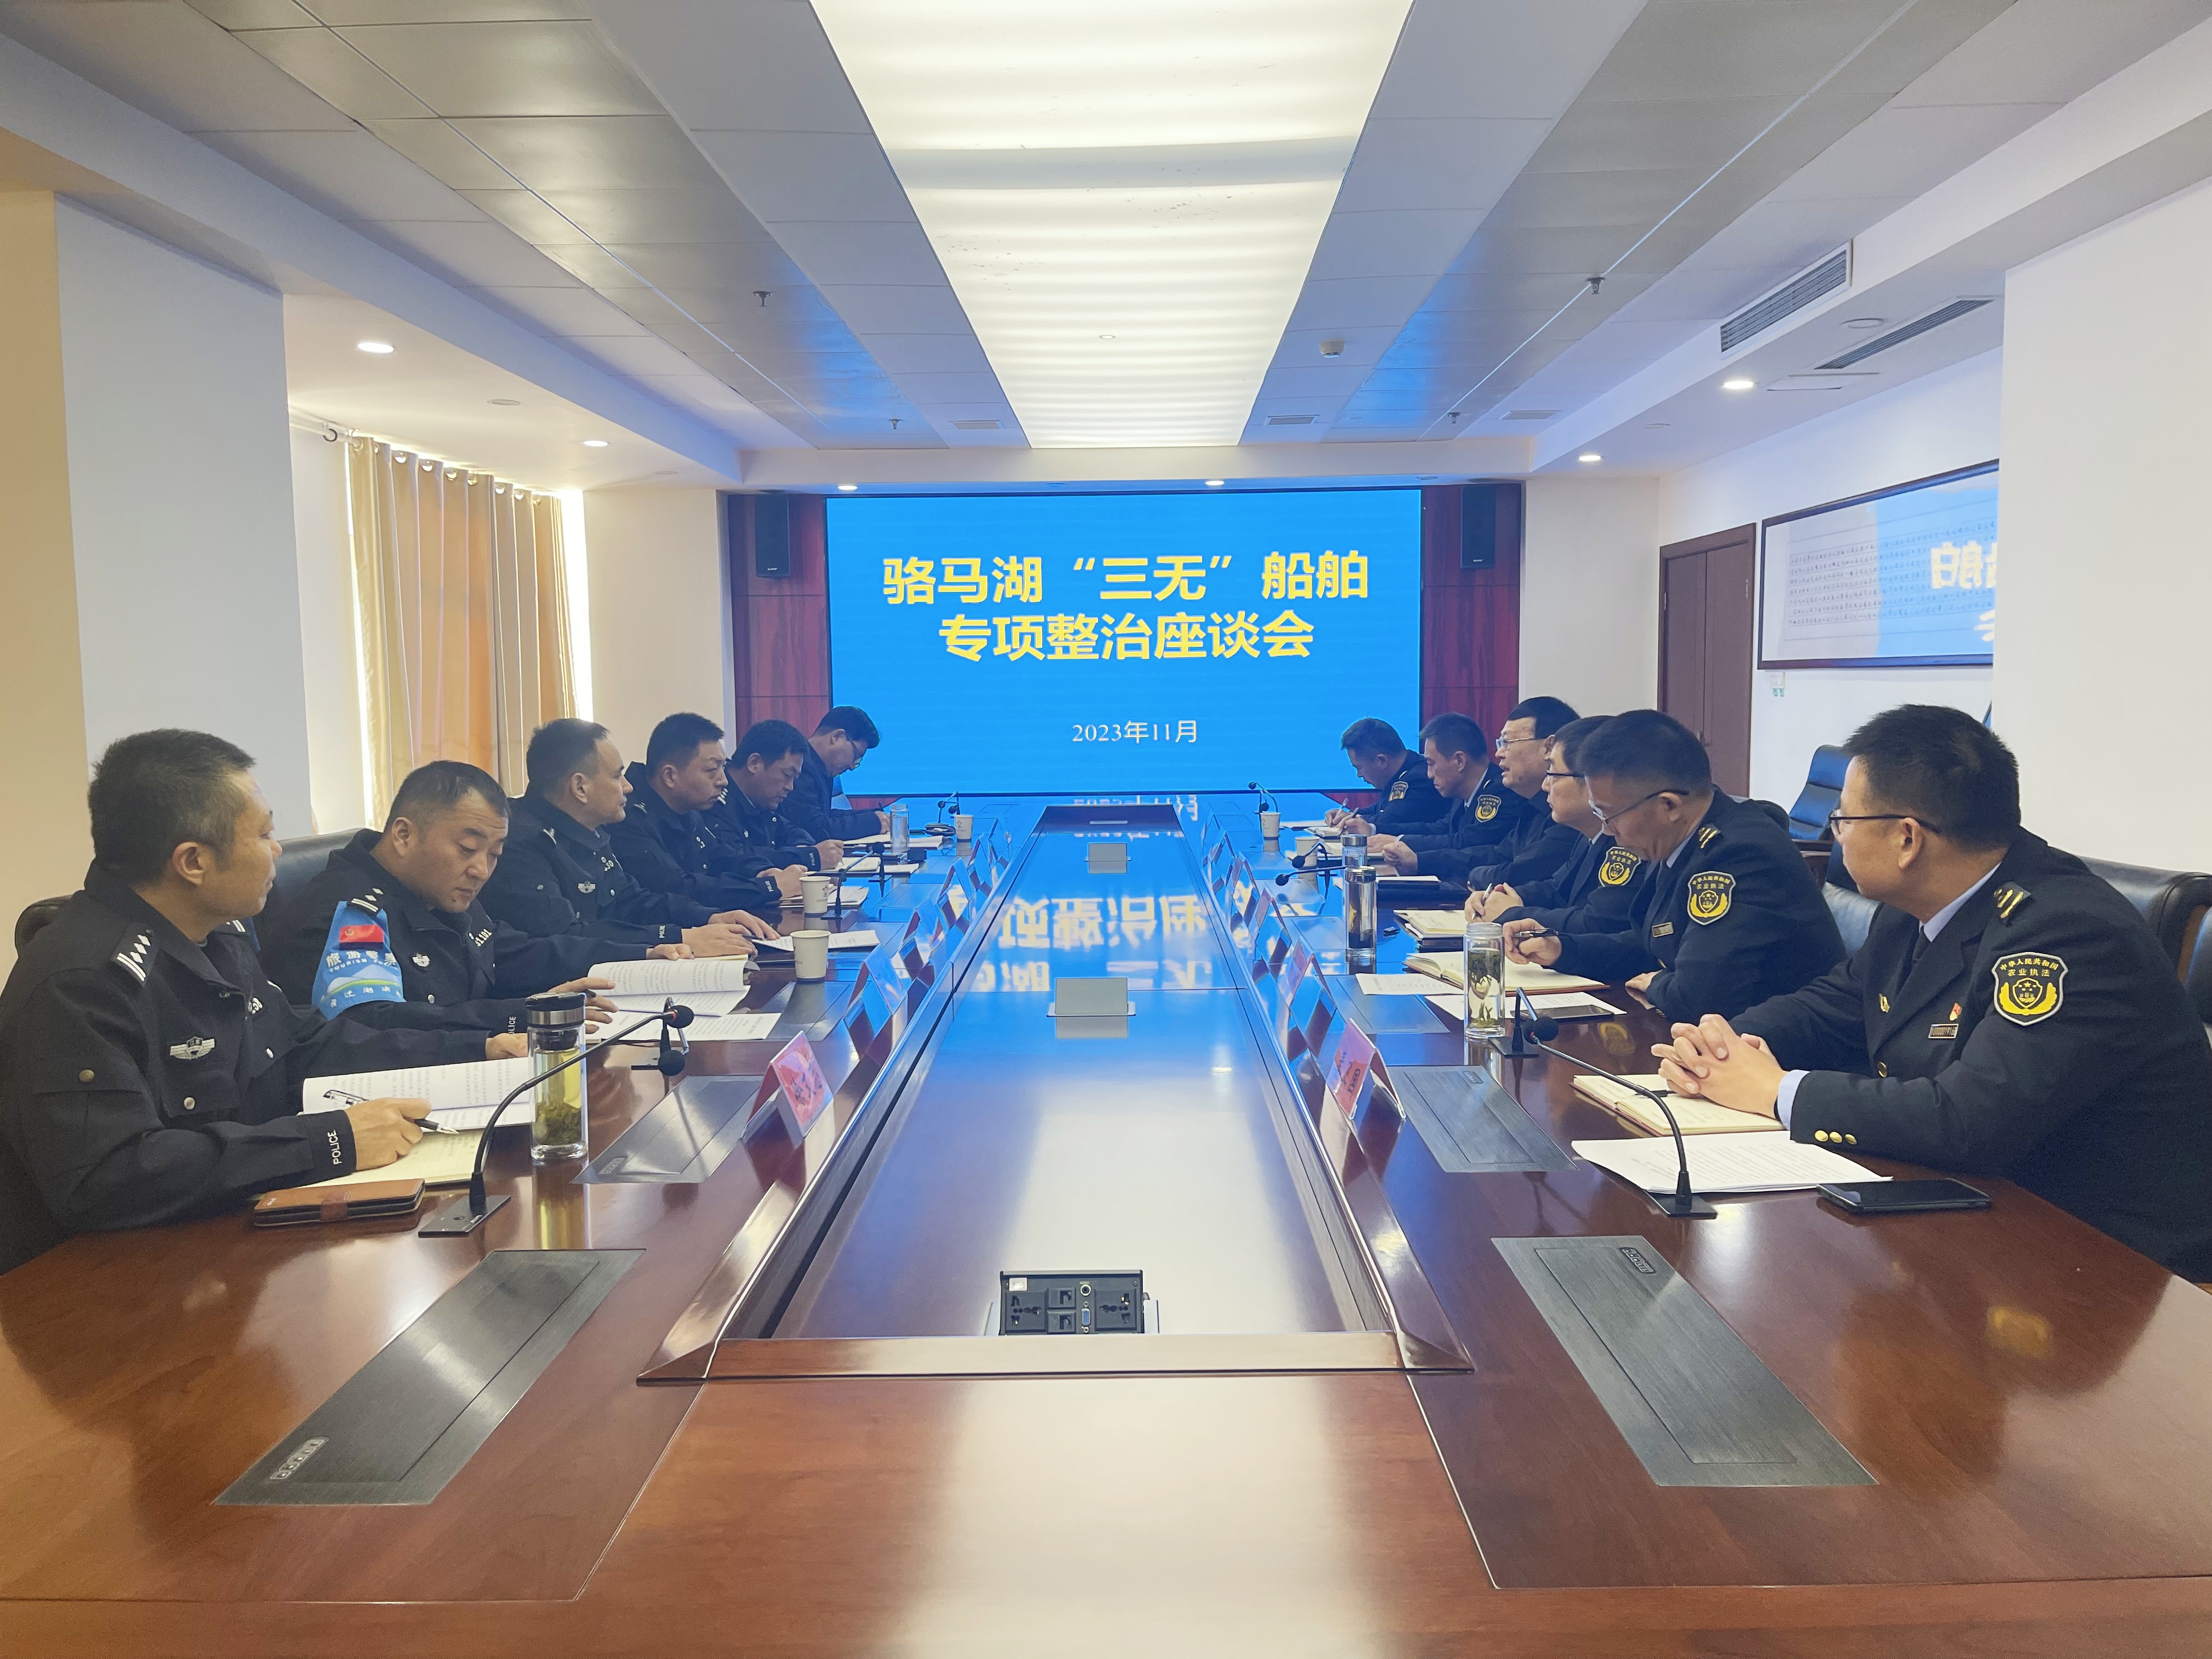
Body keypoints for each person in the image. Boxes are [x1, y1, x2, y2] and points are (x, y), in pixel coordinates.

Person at [1651, 705, 2212, 1278]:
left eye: (1843, 820)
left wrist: (1776, 1090)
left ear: (1906, 838)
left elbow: (1970, 1119)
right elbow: (1832, 1004)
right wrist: (1721, 1047)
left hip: (2108, 1258)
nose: (1836, 835)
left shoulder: (2067, 933)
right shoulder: (1916, 906)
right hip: (1976, 1206)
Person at [0, 731, 522, 1274]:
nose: (277, 851)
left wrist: (473, 1051)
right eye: (265, 834)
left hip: (227, 1242)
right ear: (193, 862)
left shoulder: (217, 937)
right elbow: (110, 1178)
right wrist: (332, 1140)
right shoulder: (82, 982)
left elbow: (303, 1047)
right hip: (106, 1282)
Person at [1503, 709, 1843, 1020]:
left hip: (1774, 1050)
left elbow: (1698, 997)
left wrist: (1658, 983)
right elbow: (1654, 945)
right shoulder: (1680, 838)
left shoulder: (1739, 855)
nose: (1607, 830)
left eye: (1609, 814)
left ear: (1668, 806)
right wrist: (1562, 949)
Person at [261, 760, 647, 1032]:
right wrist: (520, 1016)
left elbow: (511, 953)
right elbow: (378, 1024)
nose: (481, 869)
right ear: (404, 835)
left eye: (494, 854)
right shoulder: (351, 914)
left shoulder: (437, 889)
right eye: (467, 849)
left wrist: (640, 955)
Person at [481, 718, 771, 955]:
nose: (629, 787)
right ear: (580, 788)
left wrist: (706, 917)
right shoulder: (520, 844)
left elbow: (629, 901)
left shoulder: (591, 829)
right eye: (617, 776)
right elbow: (566, 939)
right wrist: (677, 937)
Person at [1470, 715, 1649, 933]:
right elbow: (1556, 888)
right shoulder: (1588, 835)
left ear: (1592, 782)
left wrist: (1514, 913)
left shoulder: (1629, 841)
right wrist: (1494, 897)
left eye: (1553, 774)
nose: (1545, 785)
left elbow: (1597, 922)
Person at [610, 713, 802, 914]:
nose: (723, 781)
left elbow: (722, 856)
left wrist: (763, 872)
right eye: (712, 770)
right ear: (670, 776)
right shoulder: (628, 817)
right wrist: (767, 888)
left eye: (723, 768)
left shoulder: (688, 807)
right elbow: (678, 887)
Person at [1378, 697, 1581, 887]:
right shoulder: (1533, 805)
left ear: (1549, 747)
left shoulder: (1566, 813)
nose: (1499, 753)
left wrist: (1475, 878)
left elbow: (1521, 872)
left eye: (1508, 743)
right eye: (1500, 744)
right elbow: (1500, 854)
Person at [1343, 713, 1530, 882]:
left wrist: (1404, 845)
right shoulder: (1463, 791)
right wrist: (1389, 835)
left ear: (1459, 761)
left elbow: (1465, 841)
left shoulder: (1501, 792)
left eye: (1431, 764)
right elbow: (1441, 828)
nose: (1429, 774)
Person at [717, 719, 845, 877]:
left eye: (795, 779)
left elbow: (791, 831)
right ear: (754, 764)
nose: (790, 787)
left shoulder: (759, 800)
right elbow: (738, 859)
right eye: (787, 775)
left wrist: (803, 848)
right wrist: (809, 857)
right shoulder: (715, 800)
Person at [788, 707, 893, 843]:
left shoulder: (820, 767)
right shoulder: (800, 766)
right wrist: (873, 822)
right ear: (837, 737)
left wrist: (874, 815)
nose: (852, 767)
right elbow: (816, 828)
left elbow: (825, 815)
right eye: (856, 756)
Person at [1324, 718, 1444, 833]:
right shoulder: (1402, 772)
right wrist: (1350, 814)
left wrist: (1353, 819)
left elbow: (1388, 820)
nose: (1359, 775)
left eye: (1359, 768)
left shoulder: (1418, 779)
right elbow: (1379, 808)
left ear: (1382, 761)